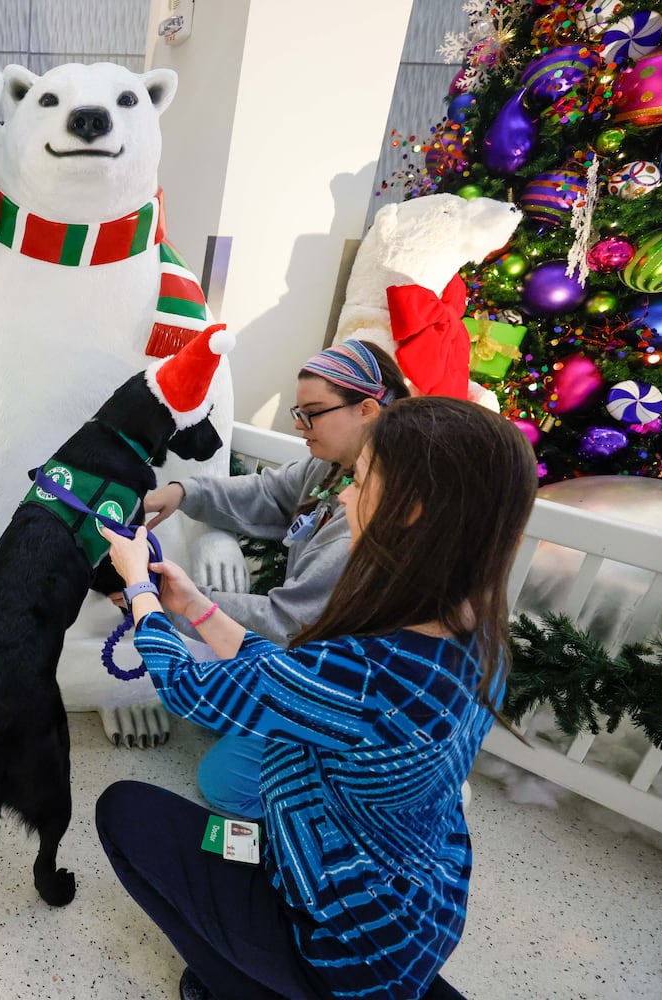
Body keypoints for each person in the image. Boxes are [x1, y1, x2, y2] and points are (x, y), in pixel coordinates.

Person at [96, 397, 537, 1000]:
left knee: (124, 812)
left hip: (342, 932)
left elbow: (188, 689)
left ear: (410, 510)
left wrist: (139, 590)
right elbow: (294, 682)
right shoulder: (475, 632)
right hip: (417, 906)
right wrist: (194, 607)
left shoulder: (369, 669)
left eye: (358, 481)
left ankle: (254, 987)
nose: (344, 498)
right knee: (221, 830)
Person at [142, 340, 408, 820]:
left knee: (223, 785)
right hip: (323, 670)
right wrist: (184, 492)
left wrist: (164, 602)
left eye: (312, 414)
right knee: (224, 716)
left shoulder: (371, 517)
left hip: (347, 696)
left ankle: (362, 791)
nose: (298, 426)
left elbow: (285, 623)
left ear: (367, 408)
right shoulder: (336, 470)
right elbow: (268, 493)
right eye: (298, 412)